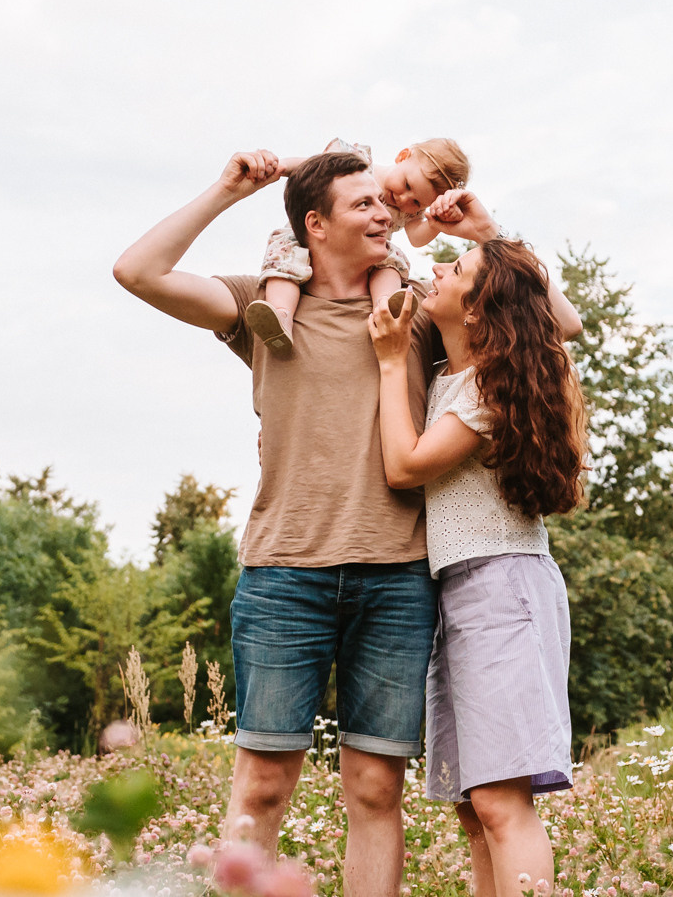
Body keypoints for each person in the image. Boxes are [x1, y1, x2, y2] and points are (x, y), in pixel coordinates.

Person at [112, 149, 576, 897]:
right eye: (362, 204)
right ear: (315, 224)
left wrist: (487, 229)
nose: (385, 213)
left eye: (381, 202)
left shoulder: (419, 310)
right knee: (261, 786)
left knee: (374, 790)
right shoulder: (258, 309)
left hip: (398, 579)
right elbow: (137, 271)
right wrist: (229, 189)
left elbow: (550, 322)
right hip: (282, 573)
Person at [368, 238, 588, 897]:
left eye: (456, 268)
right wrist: (486, 231)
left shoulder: (491, 387)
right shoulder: (449, 373)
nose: (435, 269)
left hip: (502, 589)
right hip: (461, 593)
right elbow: (558, 318)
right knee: (476, 806)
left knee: (500, 801)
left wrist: (386, 363)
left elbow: (404, 465)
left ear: (479, 307)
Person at [244, 137, 472, 359]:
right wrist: (281, 167)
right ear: (403, 156)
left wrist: (436, 222)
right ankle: (280, 315)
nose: (403, 199)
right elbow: (309, 166)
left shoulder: (410, 212)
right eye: (407, 185)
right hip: (310, 234)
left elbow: (416, 238)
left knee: (392, 260)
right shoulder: (358, 165)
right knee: (285, 258)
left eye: (417, 202)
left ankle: (385, 307)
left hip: (366, 251)